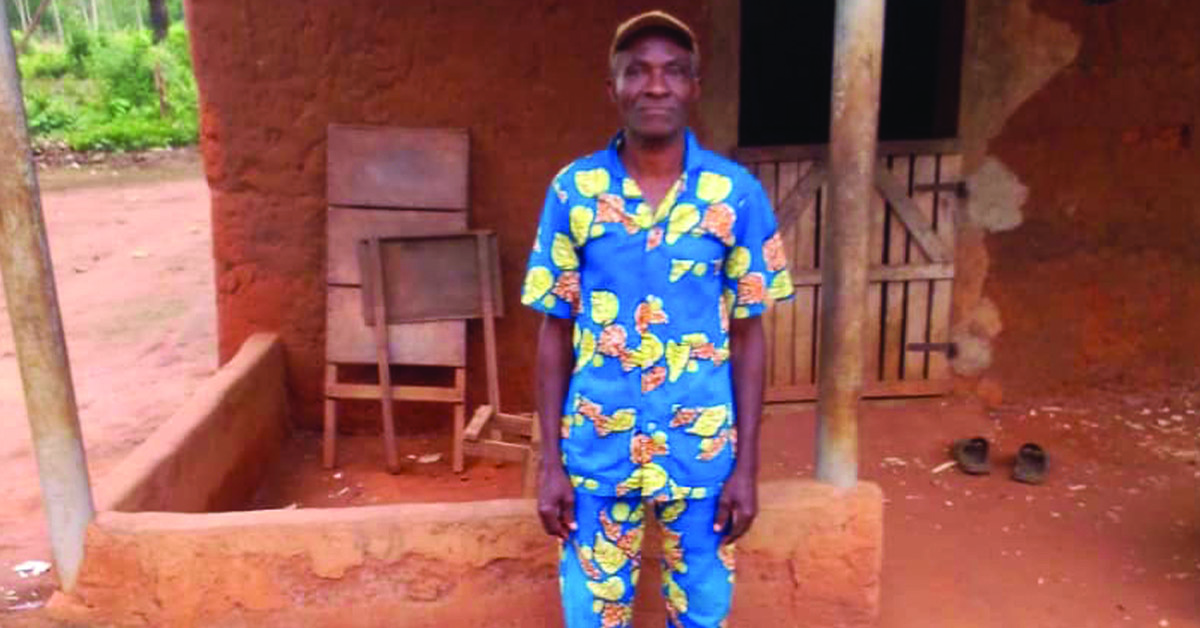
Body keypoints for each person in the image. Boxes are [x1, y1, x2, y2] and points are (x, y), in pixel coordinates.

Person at [520, 10, 794, 628]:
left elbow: (751, 333)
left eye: (673, 72)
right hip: (596, 453)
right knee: (591, 617)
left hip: (702, 456)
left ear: (695, 87)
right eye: (636, 71)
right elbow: (553, 330)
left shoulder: (736, 195)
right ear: (611, 87)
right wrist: (551, 465)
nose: (655, 85)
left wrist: (747, 468)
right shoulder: (572, 192)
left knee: (702, 616)